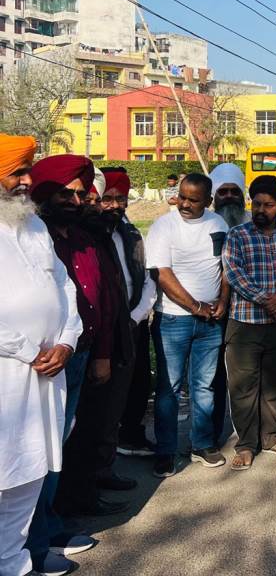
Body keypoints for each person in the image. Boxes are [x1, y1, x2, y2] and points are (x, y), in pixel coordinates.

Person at [31, 156, 133, 519]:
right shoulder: (30, 238)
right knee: (41, 446)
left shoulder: (85, 239)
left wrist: (103, 353)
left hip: (83, 353)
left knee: (76, 437)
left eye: (80, 195)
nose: (76, 202)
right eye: (66, 195)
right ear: (44, 193)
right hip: (40, 361)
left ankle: (66, 511)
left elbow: (102, 300)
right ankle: (37, 526)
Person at [0, 136, 83, 576]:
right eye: (17, 172)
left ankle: (13, 564)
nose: (28, 181)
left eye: (28, 171)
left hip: (49, 374)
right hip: (8, 376)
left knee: (28, 475)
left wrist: (67, 340)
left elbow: (64, 287)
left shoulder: (34, 227)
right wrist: (30, 350)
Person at [222, 175, 276, 470]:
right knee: (243, 385)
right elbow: (233, 272)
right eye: (257, 204)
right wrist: (265, 299)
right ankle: (246, 444)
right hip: (246, 322)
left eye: (269, 205)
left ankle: (272, 436)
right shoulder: (238, 235)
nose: (262, 209)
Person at [145, 172, 231, 477]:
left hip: (210, 322)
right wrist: (196, 307)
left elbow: (225, 267)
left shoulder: (217, 224)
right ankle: (165, 451)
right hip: (173, 320)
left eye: (193, 200)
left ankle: (201, 444)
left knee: (204, 386)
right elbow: (162, 275)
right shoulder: (163, 226)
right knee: (169, 388)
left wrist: (222, 300)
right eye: (182, 196)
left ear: (208, 201)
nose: (184, 203)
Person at [102, 169, 159, 461]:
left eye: (120, 199)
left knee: (137, 384)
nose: (114, 205)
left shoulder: (131, 232)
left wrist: (135, 316)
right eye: (107, 198)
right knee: (103, 395)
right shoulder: (92, 234)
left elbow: (147, 279)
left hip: (133, 322)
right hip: (103, 327)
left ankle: (130, 436)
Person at [210, 162, 249, 228]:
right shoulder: (208, 222)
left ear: (242, 195)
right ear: (214, 196)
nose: (229, 196)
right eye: (223, 192)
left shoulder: (253, 222)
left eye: (235, 191)